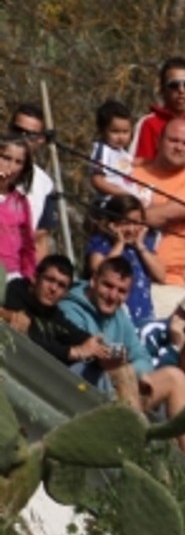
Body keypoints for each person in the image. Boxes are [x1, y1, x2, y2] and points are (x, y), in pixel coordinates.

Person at [58, 256, 185, 459]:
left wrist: (135, 371)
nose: (112, 295)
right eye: (107, 285)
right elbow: (94, 354)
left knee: (175, 377)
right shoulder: (69, 309)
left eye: (121, 291)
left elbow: (142, 357)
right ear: (94, 280)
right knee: (123, 373)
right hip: (82, 389)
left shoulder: (118, 315)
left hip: (119, 387)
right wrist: (122, 365)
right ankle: (140, 458)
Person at [128, 116, 185, 316]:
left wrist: (120, 215)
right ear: (158, 141)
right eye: (173, 140)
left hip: (165, 284)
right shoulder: (131, 172)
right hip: (115, 274)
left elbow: (162, 216)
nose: (179, 147)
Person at [1, 255, 108, 369]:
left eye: (61, 286)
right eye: (50, 280)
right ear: (34, 277)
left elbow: (74, 334)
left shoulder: (53, 313)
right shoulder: (11, 295)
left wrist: (103, 349)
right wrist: (73, 352)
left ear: (66, 294)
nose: (53, 289)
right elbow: (33, 341)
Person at [86, 194, 165, 325]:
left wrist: (141, 247)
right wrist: (119, 244)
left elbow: (161, 275)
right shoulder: (103, 243)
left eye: (136, 223)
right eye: (125, 223)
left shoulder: (143, 247)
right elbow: (98, 269)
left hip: (142, 316)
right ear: (112, 223)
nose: (131, 229)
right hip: (113, 315)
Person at [131, 58, 185, 171]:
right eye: (174, 85)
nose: (182, 90)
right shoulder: (149, 124)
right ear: (162, 89)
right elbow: (137, 170)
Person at [7, 103, 60, 254]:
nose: (22, 138)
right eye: (18, 130)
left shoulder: (45, 184)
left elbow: (40, 239)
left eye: (30, 134)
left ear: (41, 139)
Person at [87, 100, 141, 206]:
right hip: (109, 205)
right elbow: (97, 180)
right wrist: (120, 193)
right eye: (115, 132)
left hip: (127, 204)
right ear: (102, 130)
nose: (121, 137)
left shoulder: (122, 152)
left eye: (125, 132)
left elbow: (136, 162)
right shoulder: (102, 150)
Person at [0, 136, 37, 281]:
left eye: (18, 162)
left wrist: (29, 276)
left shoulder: (20, 203)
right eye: (6, 158)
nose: (11, 166)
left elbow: (28, 246)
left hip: (12, 275)